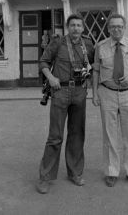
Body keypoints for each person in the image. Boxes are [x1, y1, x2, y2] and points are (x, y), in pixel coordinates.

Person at [36, 13, 94, 194]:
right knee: (55, 136)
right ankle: (45, 177)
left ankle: (75, 173)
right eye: (73, 25)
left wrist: (89, 78)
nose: (76, 28)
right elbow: (43, 62)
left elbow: (94, 64)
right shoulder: (58, 43)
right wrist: (51, 77)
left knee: (77, 134)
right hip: (60, 91)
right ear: (68, 28)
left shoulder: (89, 44)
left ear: (83, 28)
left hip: (79, 92)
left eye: (79, 25)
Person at [92, 13, 128, 187]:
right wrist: (94, 93)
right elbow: (96, 71)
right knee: (110, 134)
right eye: (113, 26)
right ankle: (111, 171)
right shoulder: (100, 46)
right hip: (107, 93)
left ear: (124, 28)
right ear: (108, 29)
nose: (116, 29)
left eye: (120, 26)